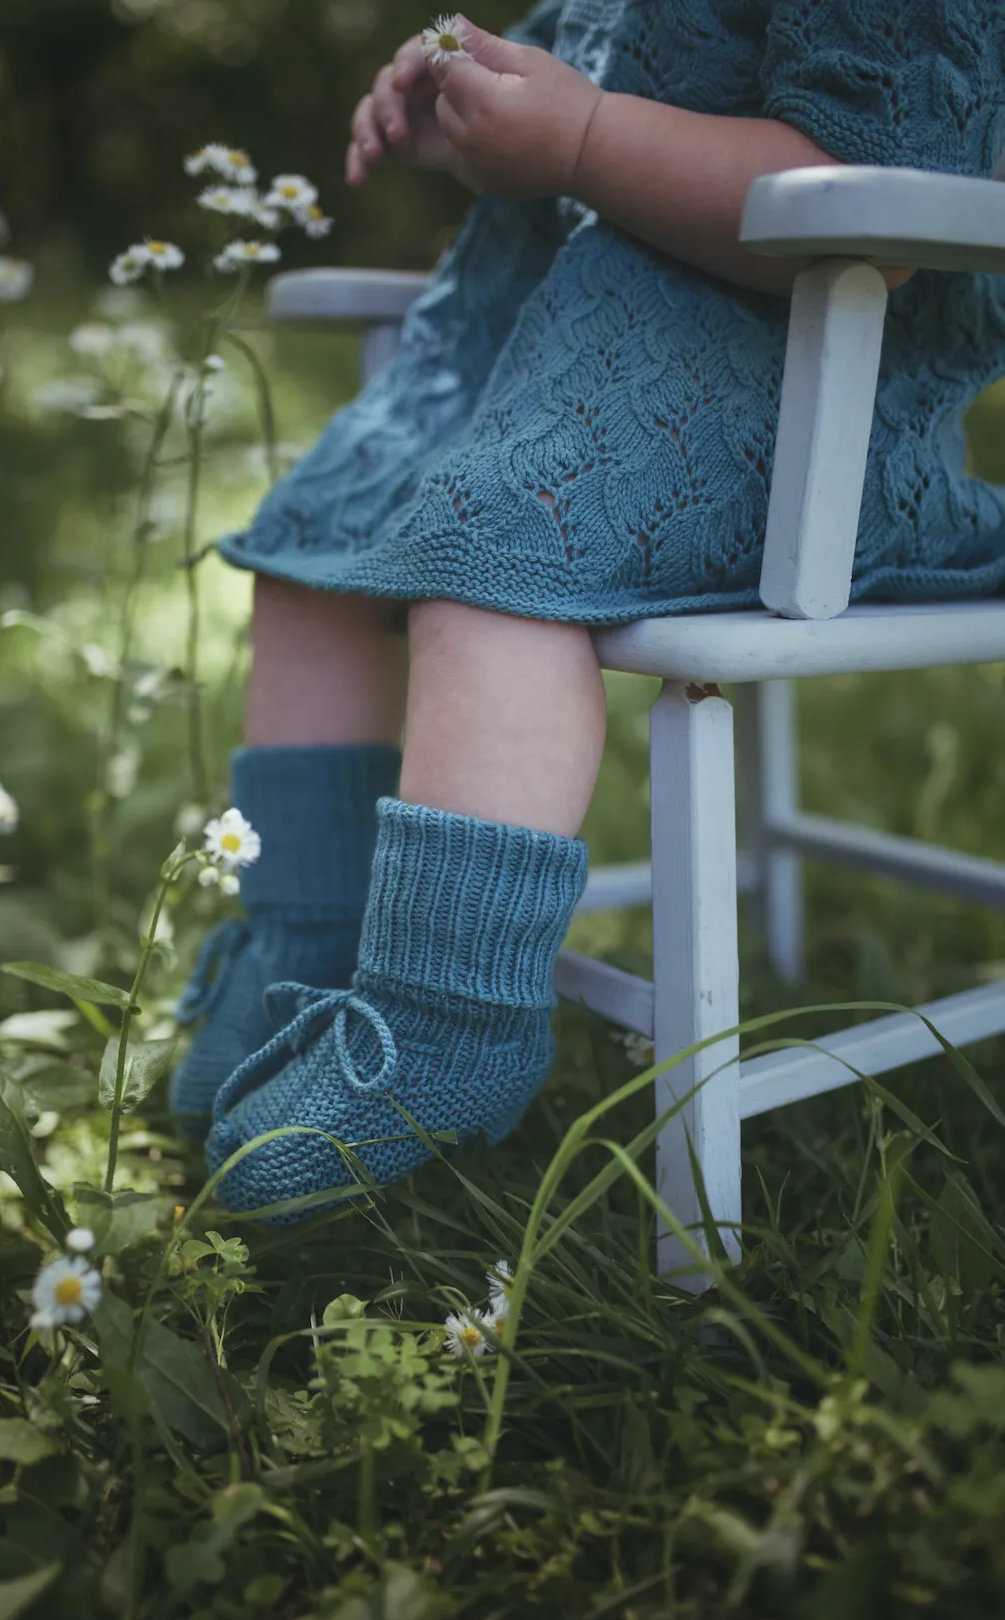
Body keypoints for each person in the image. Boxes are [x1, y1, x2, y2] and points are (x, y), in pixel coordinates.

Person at [171, 1, 1005, 1217]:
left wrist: (582, 138)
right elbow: (595, 64)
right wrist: (467, 102)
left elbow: (863, 204)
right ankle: (306, 937)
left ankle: (445, 1021)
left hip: (804, 419)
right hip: (558, 383)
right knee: (313, 538)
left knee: (496, 549)